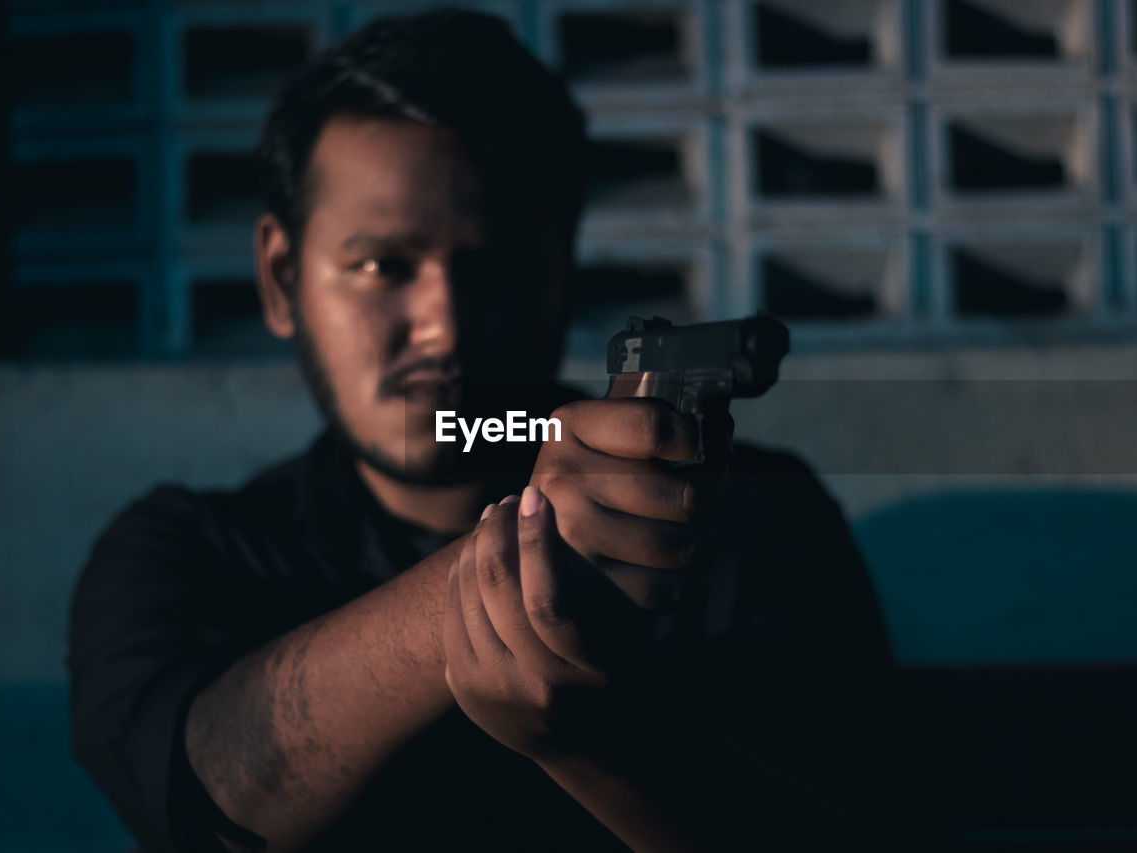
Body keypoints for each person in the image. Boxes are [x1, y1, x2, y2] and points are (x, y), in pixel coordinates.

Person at [68, 10, 897, 852]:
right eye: (383, 265)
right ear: (282, 280)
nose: (445, 324)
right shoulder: (184, 553)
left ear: (560, 272)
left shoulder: (753, 522)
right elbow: (206, 797)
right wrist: (494, 588)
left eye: (492, 264)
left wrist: (611, 740)